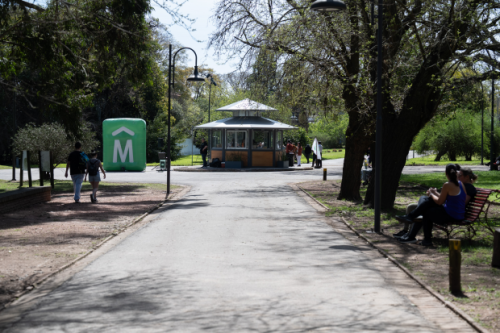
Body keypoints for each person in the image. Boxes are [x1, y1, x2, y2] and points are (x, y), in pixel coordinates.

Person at [396, 164, 466, 246]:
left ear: (446, 173)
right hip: (458, 214)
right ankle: (413, 223)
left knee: (427, 210)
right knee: (424, 199)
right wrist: (434, 193)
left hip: (452, 215)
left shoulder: (447, 185)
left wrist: (431, 195)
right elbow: (446, 199)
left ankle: (413, 224)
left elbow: (440, 202)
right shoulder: (461, 184)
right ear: (455, 173)